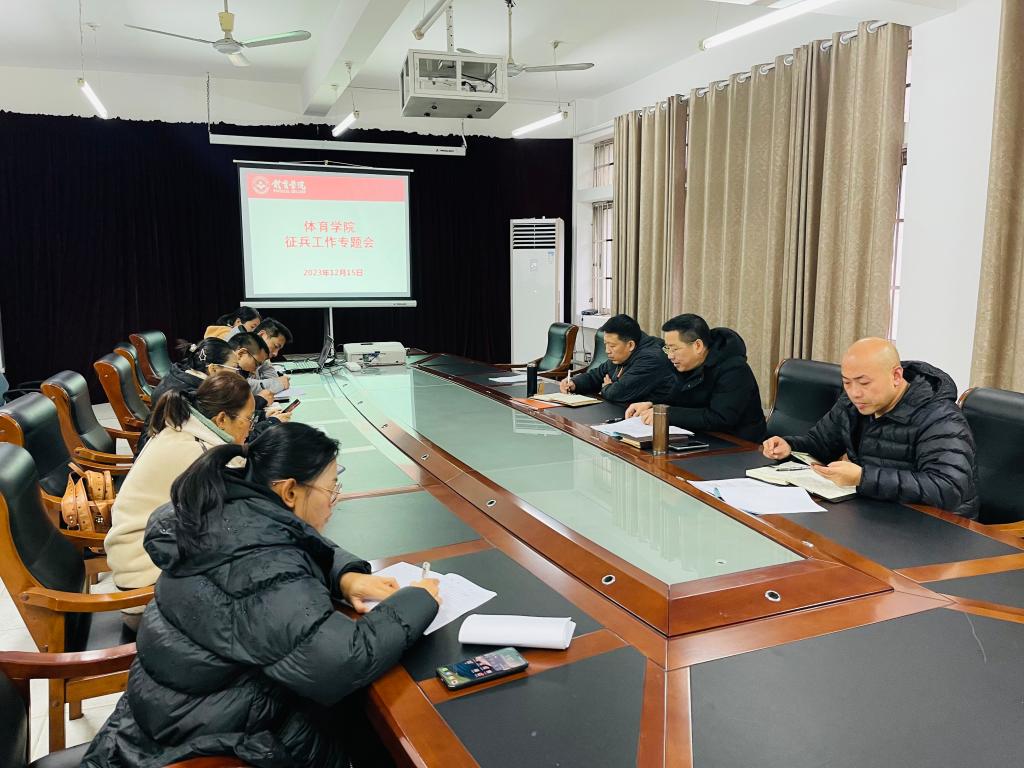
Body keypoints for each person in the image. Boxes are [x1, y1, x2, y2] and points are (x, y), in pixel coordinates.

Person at [83, 422, 441, 767]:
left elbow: (296, 545)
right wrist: (420, 600)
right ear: (289, 492)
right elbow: (342, 661)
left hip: (171, 717)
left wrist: (345, 576)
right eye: (331, 488)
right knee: (378, 725)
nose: (335, 500)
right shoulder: (259, 563)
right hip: (212, 746)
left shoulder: (224, 510)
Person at [762, 337, 979, 518]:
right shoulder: (852, 404)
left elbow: (947, 488)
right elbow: (820, 444)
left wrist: (863, 478)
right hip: (877, 512)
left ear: (896, 376)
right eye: (847, 382)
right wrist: (789, 446)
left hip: (938, 527)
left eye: (864, 383)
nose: (855, 393)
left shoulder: (940, 417)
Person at [104, 372, 256, 630]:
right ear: (221, 419)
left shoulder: (183, 429)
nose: (250, 427)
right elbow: (238, 517)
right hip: (148, 596)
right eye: (249, 419)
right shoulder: (196, 452)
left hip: (148, 568)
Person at [627, 314, 767, 441]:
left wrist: (667, 414)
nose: (670, 355)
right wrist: (653, 406)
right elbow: (678, 401)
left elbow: (720, 418)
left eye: (674, 349)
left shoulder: (734, 369)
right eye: (667, 348)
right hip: (702, 438)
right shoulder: (686, 365)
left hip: (738, 446)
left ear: (698, 346)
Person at [135, 338, 243, 451]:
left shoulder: (179, 374)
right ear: (214, 369)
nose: (238, 373)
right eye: (235, 368)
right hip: (163, 453)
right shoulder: (194, 396)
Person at [559, 314, 676, 404]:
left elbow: (618, 393)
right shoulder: (622, 354)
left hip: (661, 419)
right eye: (606, 344)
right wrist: (575, 383)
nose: (607, 350)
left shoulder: (651, 359)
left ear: (630, 345)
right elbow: (597, 375)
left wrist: (607, 388)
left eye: (612, 346)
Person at [251, 317, 294, 395]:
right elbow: (241, 386)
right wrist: (278, 383)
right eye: (276, 346)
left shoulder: (262, 356)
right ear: (262, 335)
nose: (275, 354)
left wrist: (278, 382)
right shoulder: (239, 352)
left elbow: (273, 378)